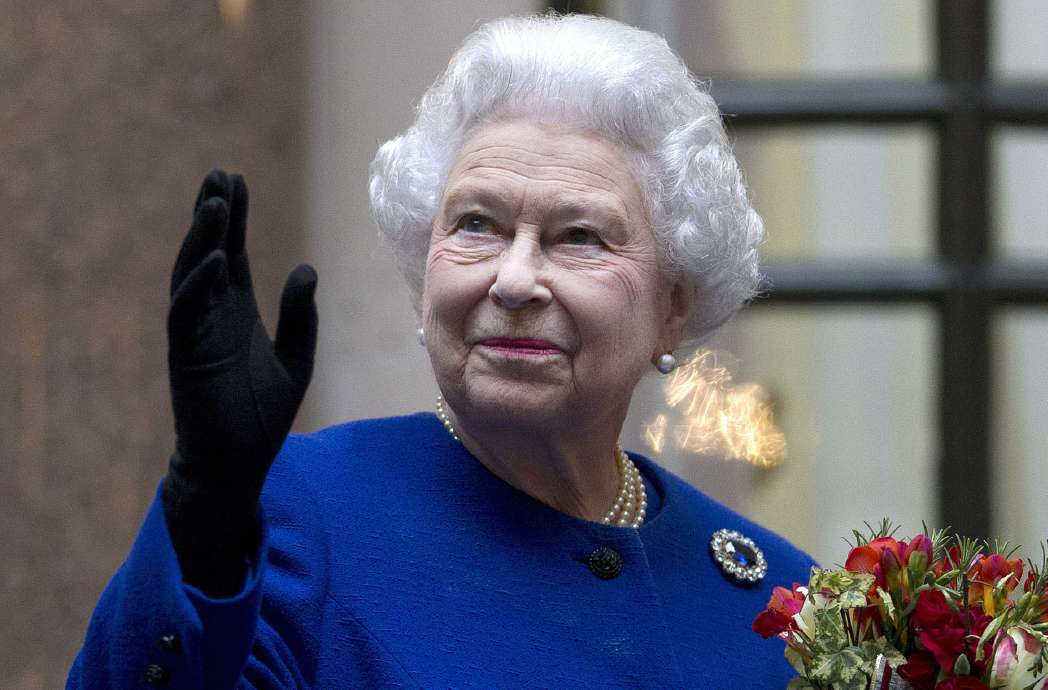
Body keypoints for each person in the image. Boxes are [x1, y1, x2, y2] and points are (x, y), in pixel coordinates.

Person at [69, 13, 814, 689]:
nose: (515, 279)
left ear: (674, 305)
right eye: (478, 226)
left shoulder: (779, 600)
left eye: (578, 237)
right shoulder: (294, 519)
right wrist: (203, 510)